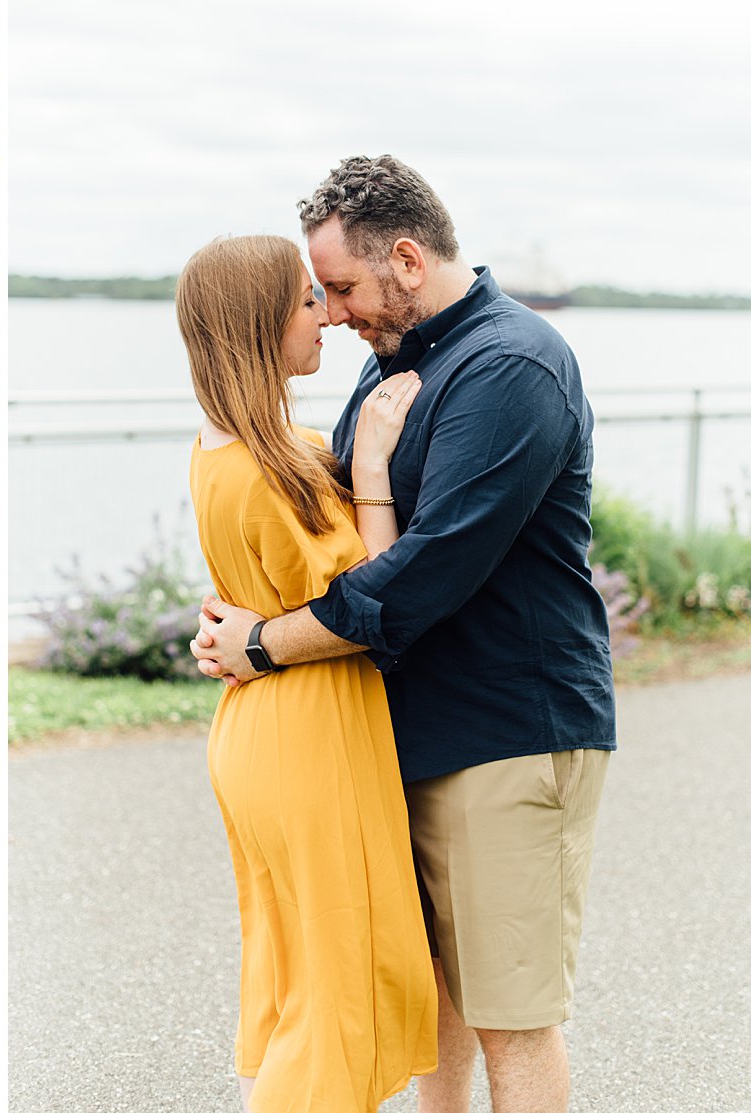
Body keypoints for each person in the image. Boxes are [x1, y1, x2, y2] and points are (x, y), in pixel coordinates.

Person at [191, 156, 615, 1113]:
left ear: (410, 259)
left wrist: (261, 643)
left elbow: (419, 577)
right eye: (321, 295)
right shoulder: (398, 366)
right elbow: (331, 523)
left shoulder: (510, 365)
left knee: (512, 1015)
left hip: (506, 730)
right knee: (431, 1001)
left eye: (340, 288)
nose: (333, 313)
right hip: (401, 733)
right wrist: (234, 612)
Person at [180, 235, 436, 1111]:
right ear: (259, 325)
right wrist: (370, 469)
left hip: (263, 727)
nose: (325, 314)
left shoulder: (228, 448)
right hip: (308, 732)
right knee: (335, 991)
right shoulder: (268, 465)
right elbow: (371, 600)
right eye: (303, 301)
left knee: (303, 972)